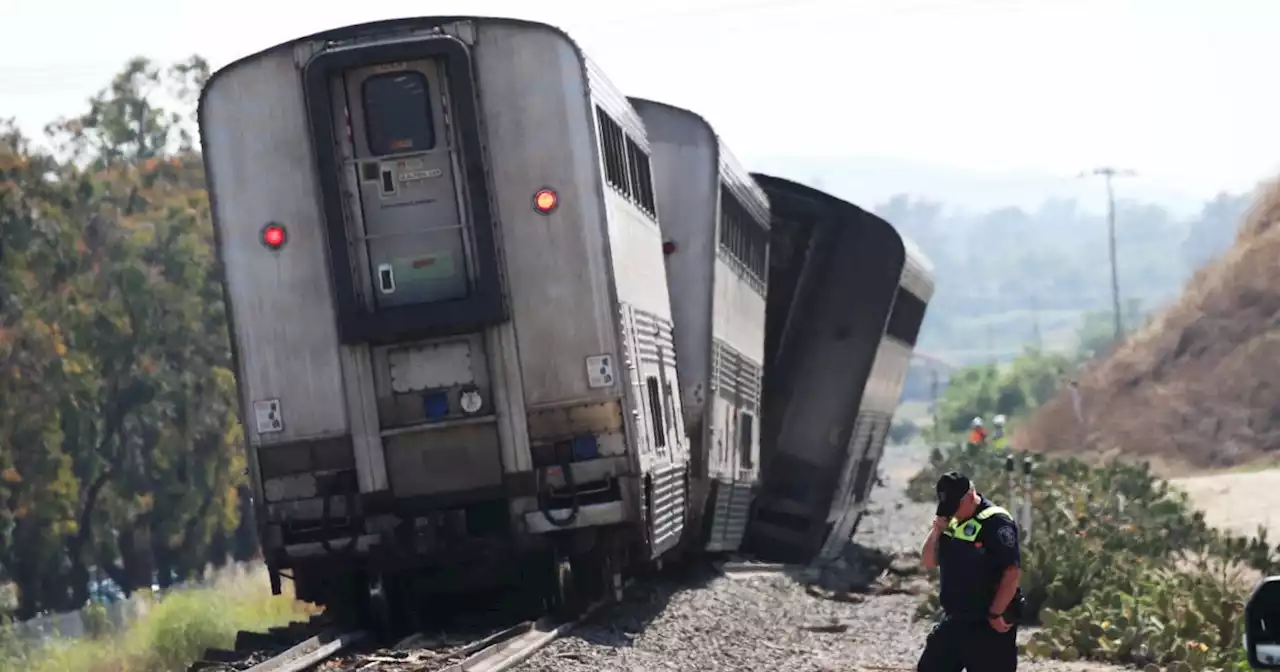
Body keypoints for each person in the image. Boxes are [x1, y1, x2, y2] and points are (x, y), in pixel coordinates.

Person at [918, 471, 1024, 672]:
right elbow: (929, 561)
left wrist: (996, 613)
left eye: (955, 506)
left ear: (970, 496)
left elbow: (1011, 572)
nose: (952, 512)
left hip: (987, 624)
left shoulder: (995, 522)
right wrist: (936, 532)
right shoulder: (951, 522)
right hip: (956, 619)